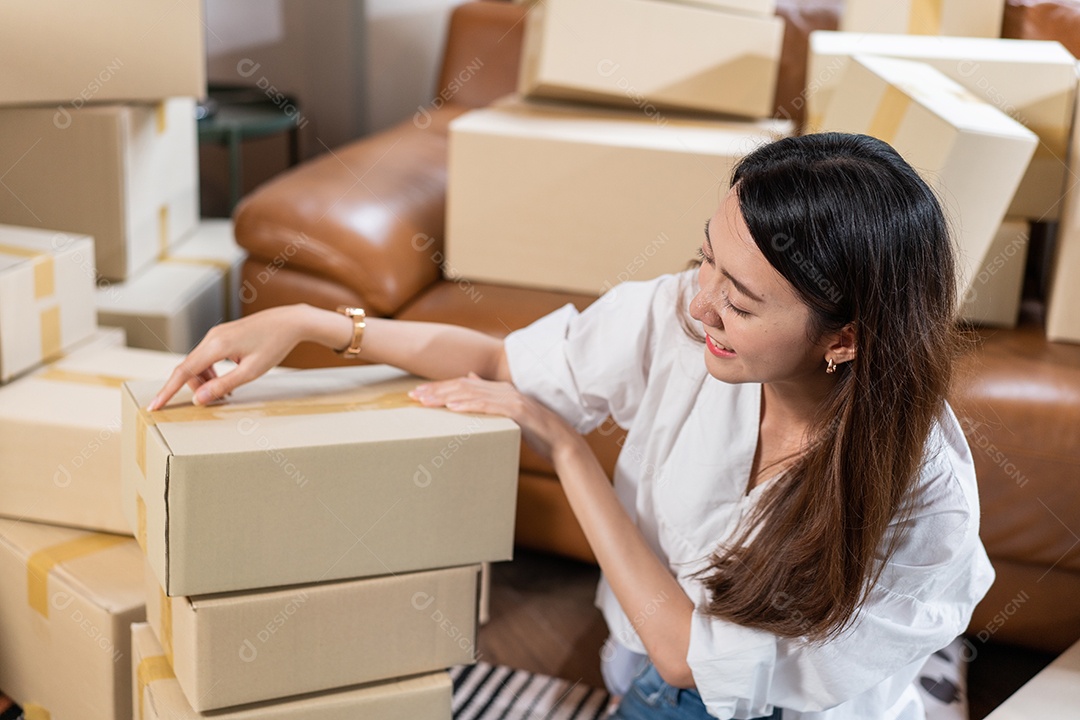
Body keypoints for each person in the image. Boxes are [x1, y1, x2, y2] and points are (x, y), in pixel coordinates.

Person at [150, 133, 993, 719]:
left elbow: (691, 656)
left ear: (845, 338)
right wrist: (317, 323)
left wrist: (564, 448)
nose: (698, 303)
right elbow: (500, 364)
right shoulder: (681, 317)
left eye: (738, 299)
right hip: (660, 685)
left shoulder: (928, 505)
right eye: (707, 257)